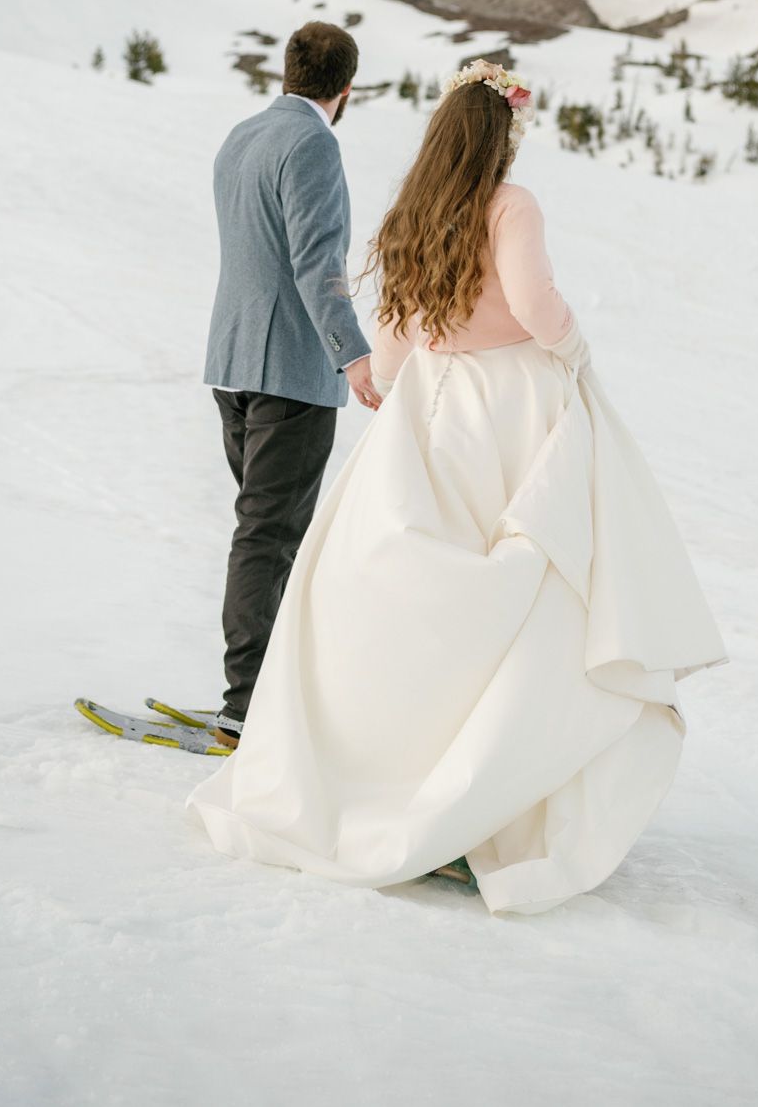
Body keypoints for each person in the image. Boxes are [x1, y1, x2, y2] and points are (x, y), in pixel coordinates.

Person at [187, 58, 728, 914]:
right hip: (512, 403)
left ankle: (385, 774)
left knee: (395, 596)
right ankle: (485, 796)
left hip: (432, 402)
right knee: (534, 592)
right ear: (502, 133)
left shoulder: (418, 207)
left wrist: (392, 380)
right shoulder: (511, 204)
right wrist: (574, 353)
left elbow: (399, 324)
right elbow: (534, 299)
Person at [202, 21, 382, 749]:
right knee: (268, 537)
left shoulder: (241, 135)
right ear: (346, 89)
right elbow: (317, 260)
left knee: (263, 533)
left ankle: (259, 692)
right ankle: (246, 705)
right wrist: (353, 355)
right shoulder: (313, 143)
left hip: (233, 360)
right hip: (290, 372)